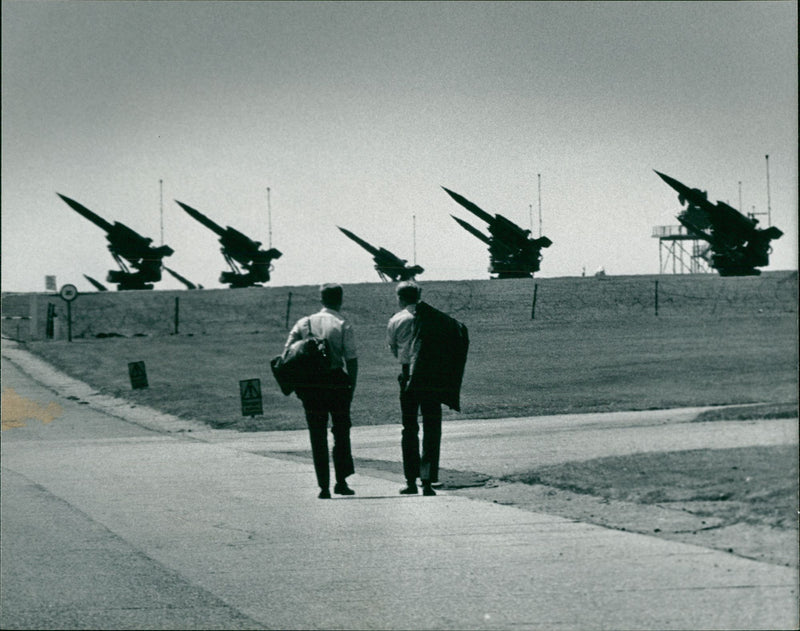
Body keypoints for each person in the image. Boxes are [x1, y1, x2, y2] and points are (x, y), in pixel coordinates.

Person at [387, 281, 469, 496]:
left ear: (400, 297)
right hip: (432, 376)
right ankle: (428, 480)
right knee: (432, 427)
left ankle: (410, 480)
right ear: (419, 295)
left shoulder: (397, 319)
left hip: (407, 375)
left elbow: (394, 349)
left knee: (409, 427)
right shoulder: (436, 318)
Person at [284, 283, 358, 499]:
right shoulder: (342, 323)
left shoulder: (304, 323)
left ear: (321, 299)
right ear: (340, 299)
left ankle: (323, 486)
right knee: (341, 432)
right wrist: (351, 387)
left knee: (317, 434)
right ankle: (341, 481)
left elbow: (287, 354)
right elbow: (351, 360)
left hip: (311, 385)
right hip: (336, 381)